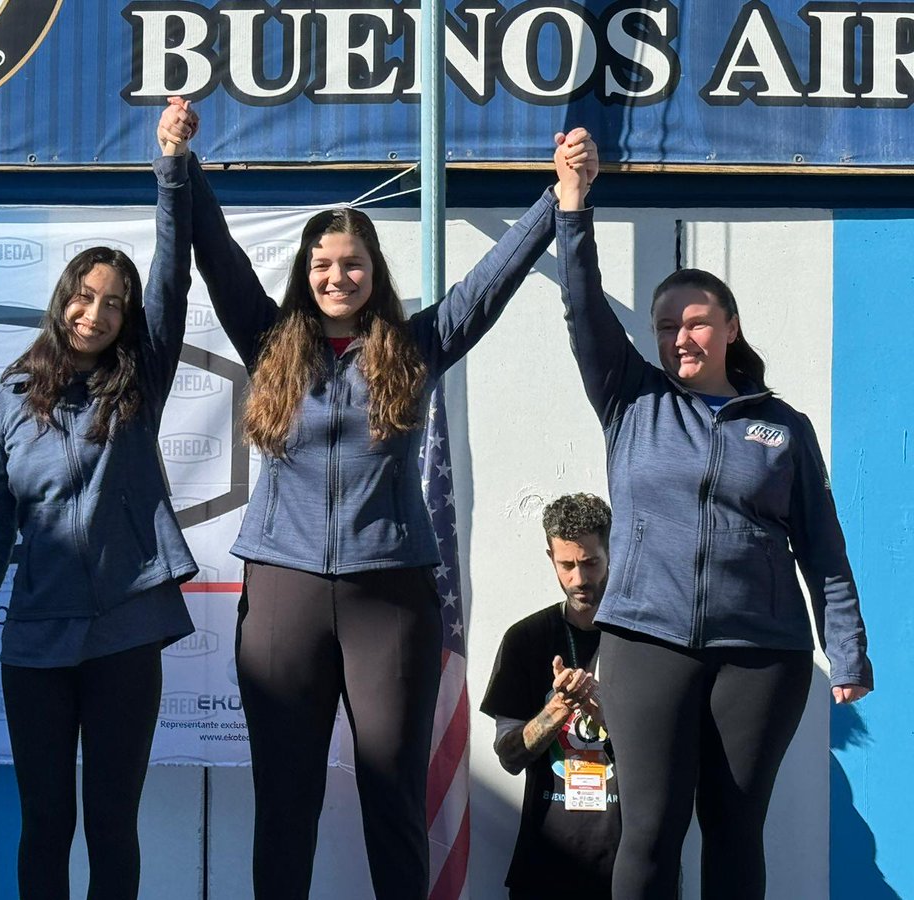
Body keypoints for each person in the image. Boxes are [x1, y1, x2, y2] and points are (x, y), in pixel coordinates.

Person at [157, 100, 590, 899]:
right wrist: (178, 164)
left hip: (388, 599)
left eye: (352, 264)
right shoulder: (269, 339)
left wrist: (558, 195)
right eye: (323, 265)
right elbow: (213, 253)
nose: (337, 277)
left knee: (393, 796)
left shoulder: (414, 348)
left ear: (373, 272)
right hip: (282, 596)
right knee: (287, 802)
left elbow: (487, 288)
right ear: (305, 272)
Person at [552, 129, 874, 899]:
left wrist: (848, 649)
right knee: (651, 832)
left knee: (735, 832)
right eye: (666, 327)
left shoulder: (781, 426)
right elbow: (580, 304)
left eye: (695, 321)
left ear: (729, 328)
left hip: (761, 654)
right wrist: (572, 204)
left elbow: (821, 546)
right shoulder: (631, 398)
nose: (680, 337)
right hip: (645, 640)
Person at [0, 111, 200, 900]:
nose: (97, 313)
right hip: (37, 647)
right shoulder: (6, 402)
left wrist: (171, 164)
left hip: (125, 636)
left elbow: (172, 278)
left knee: (112, 824)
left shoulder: (139, 383)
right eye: (85, 297)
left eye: (113, 303)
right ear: (62, 301)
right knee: (46, 825)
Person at [481, 492, 620, 900]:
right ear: (551, 558)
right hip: (545, 864)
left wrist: (603, 711)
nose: (579, 578)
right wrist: (557, 710)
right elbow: (509, 757)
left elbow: (674, 756)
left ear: (612, 552)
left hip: (630, 864)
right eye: (567, 565)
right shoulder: (526, 639)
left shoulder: (647, 642)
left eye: (590, 562)